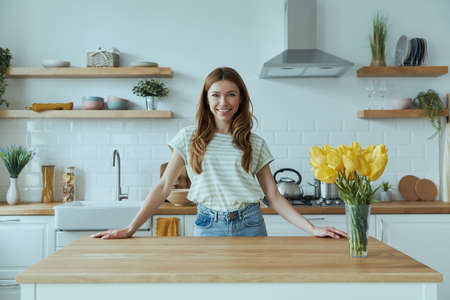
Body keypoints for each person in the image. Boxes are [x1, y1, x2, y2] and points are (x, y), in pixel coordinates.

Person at [92, 67, 347, 239]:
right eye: (216, 95)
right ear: (206, 99)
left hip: (251, 224)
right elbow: (163, 186)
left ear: (240, 100)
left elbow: (274, 196)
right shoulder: (188, 137)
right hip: (207, 224)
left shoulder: (254, 143)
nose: (223, 102)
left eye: (230, 95)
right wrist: (130, 228)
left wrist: (313, 229)